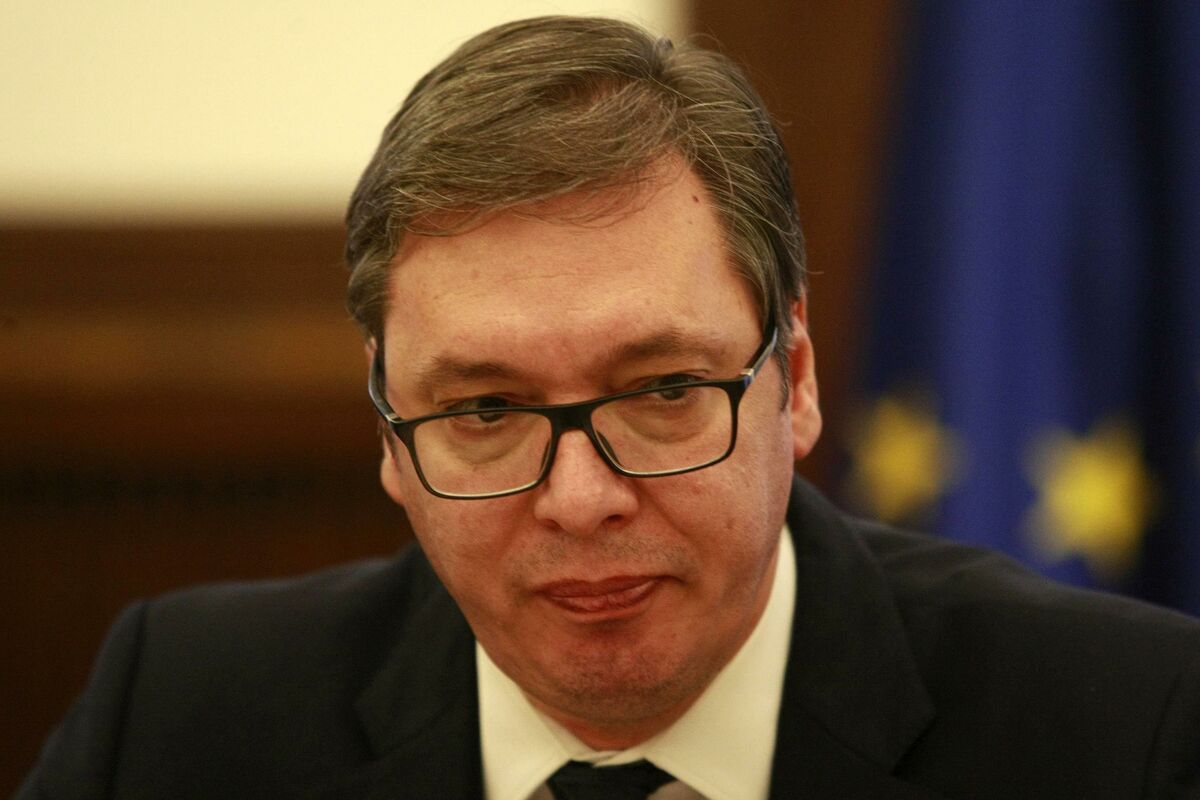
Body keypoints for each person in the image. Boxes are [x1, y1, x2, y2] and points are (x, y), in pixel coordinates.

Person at [20, 16, 1200, 800]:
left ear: (794, 378)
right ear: (389, 431)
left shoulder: (1123, 732)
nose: (580, 498)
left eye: (664, 391)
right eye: (485, 408)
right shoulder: (179, 718)